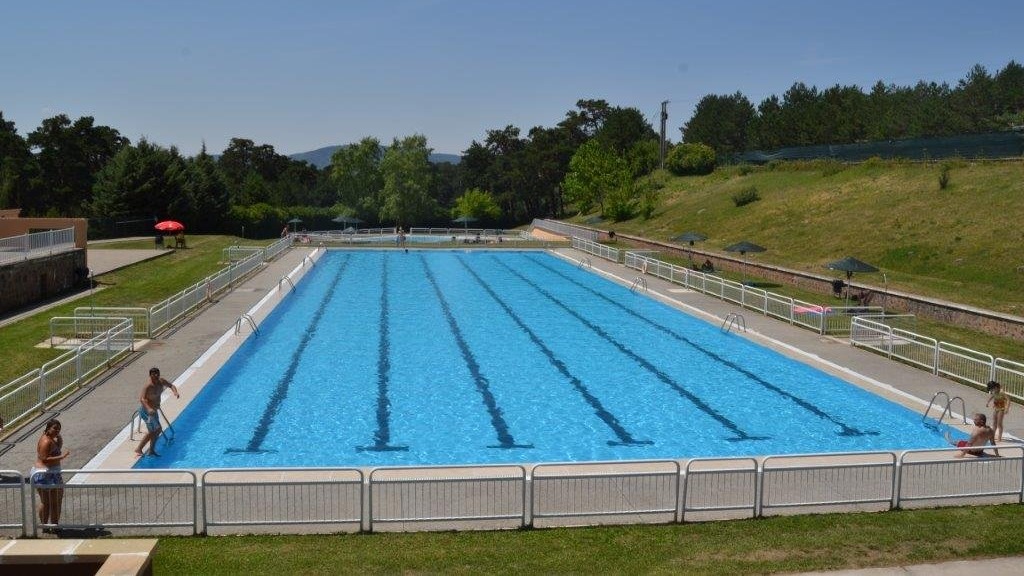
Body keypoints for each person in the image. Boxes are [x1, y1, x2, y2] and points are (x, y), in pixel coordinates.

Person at [30, 419, 70, 532]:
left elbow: (56, 449)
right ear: (48, 428)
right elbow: (44, 458)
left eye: (59, 429)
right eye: (55, 428)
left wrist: (60, 438)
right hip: (46, 474)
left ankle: (47, 527)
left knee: (48, 502)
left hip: (47, 473)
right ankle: (52, 526)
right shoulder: (46, 441)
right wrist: (62, 457)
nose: (57, 431)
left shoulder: (50, 439)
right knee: (54, 501)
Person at [135, 367, 179, 457]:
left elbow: (171, 385)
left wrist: (175, 392)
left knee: (157, 430)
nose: (155, 376)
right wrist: (148, 408)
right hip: (147, 412)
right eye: (153, 374)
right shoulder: (148, 386)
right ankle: (139, 449)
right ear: (150, 375)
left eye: (157, 374)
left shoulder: (161, 381)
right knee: (154, 430)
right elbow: (142, 399)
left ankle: (151, 450)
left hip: (154, 411)